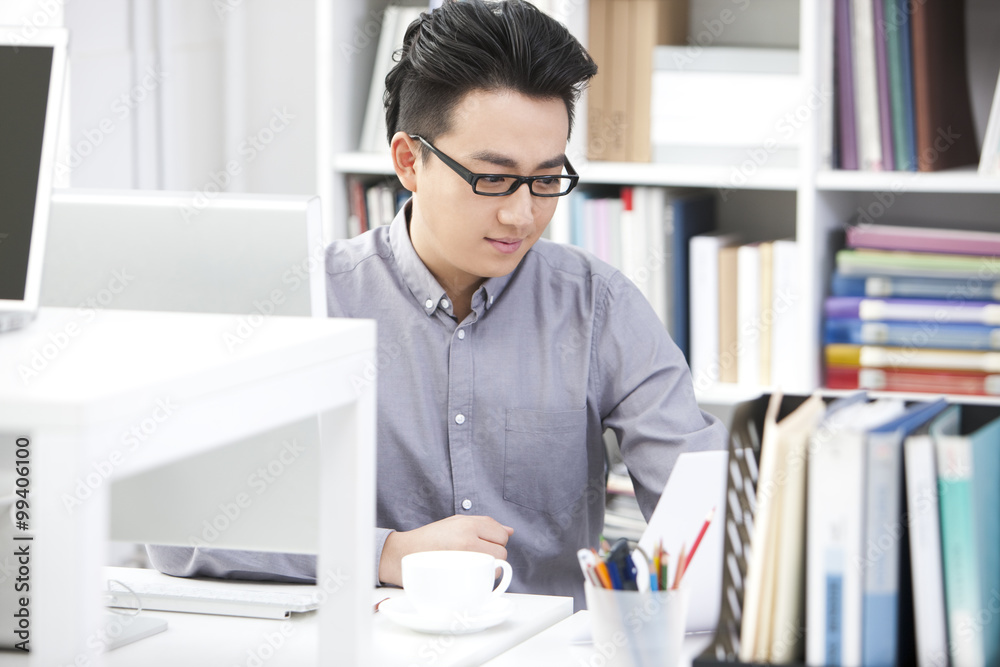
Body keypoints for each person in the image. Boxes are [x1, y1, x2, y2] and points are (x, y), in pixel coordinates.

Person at [147, 0, 727, 608]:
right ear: (408, 161)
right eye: (493, 178)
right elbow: (181, 535)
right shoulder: (309, 301)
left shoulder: (599, 307)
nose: (521, 214)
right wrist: (387, 553)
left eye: (547, 179)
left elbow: (700, 512)